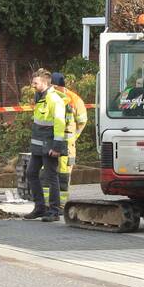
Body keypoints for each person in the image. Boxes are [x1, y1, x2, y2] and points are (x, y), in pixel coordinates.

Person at [25, 68, 67, 222]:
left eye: (35, 82)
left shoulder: (54, 100)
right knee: (31, 173)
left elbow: (59, 124)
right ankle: (40, 208)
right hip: (39, 145)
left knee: (51, 177)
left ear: (43, 83)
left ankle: (54, 211)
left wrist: (57, 147)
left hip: (49, 146)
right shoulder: (40, 97)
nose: (32, 85)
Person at [50, 71, 88, 207]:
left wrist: (73, 138)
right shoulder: (50, 97)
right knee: (49, 173)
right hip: (52, 142)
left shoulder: (74, 99)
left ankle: (61, 203)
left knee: (64, 173)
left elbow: (82, 121)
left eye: (53, 87)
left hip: (67, 145)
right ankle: (51, 203)